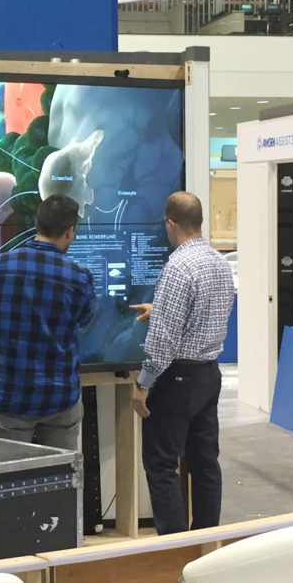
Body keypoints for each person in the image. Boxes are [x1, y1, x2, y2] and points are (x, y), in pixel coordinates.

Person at [130, 191, 235, 535]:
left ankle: (173, 547)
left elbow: (163, 341)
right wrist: (157, 309)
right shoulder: (219, 262)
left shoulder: (177, 267)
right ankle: (206, 539)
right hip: (208, 374)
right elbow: (203, 314)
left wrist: (143, 384)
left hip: (176, 379)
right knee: (205, 462)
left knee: (161, 465)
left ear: (171, 223)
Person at [0, 195, 96, 451]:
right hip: (61, 399)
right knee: (62, 483)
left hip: (9, 399)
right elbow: (85, 320)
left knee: (7, 483)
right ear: (70, 232)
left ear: (37, 224)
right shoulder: (79, 278)